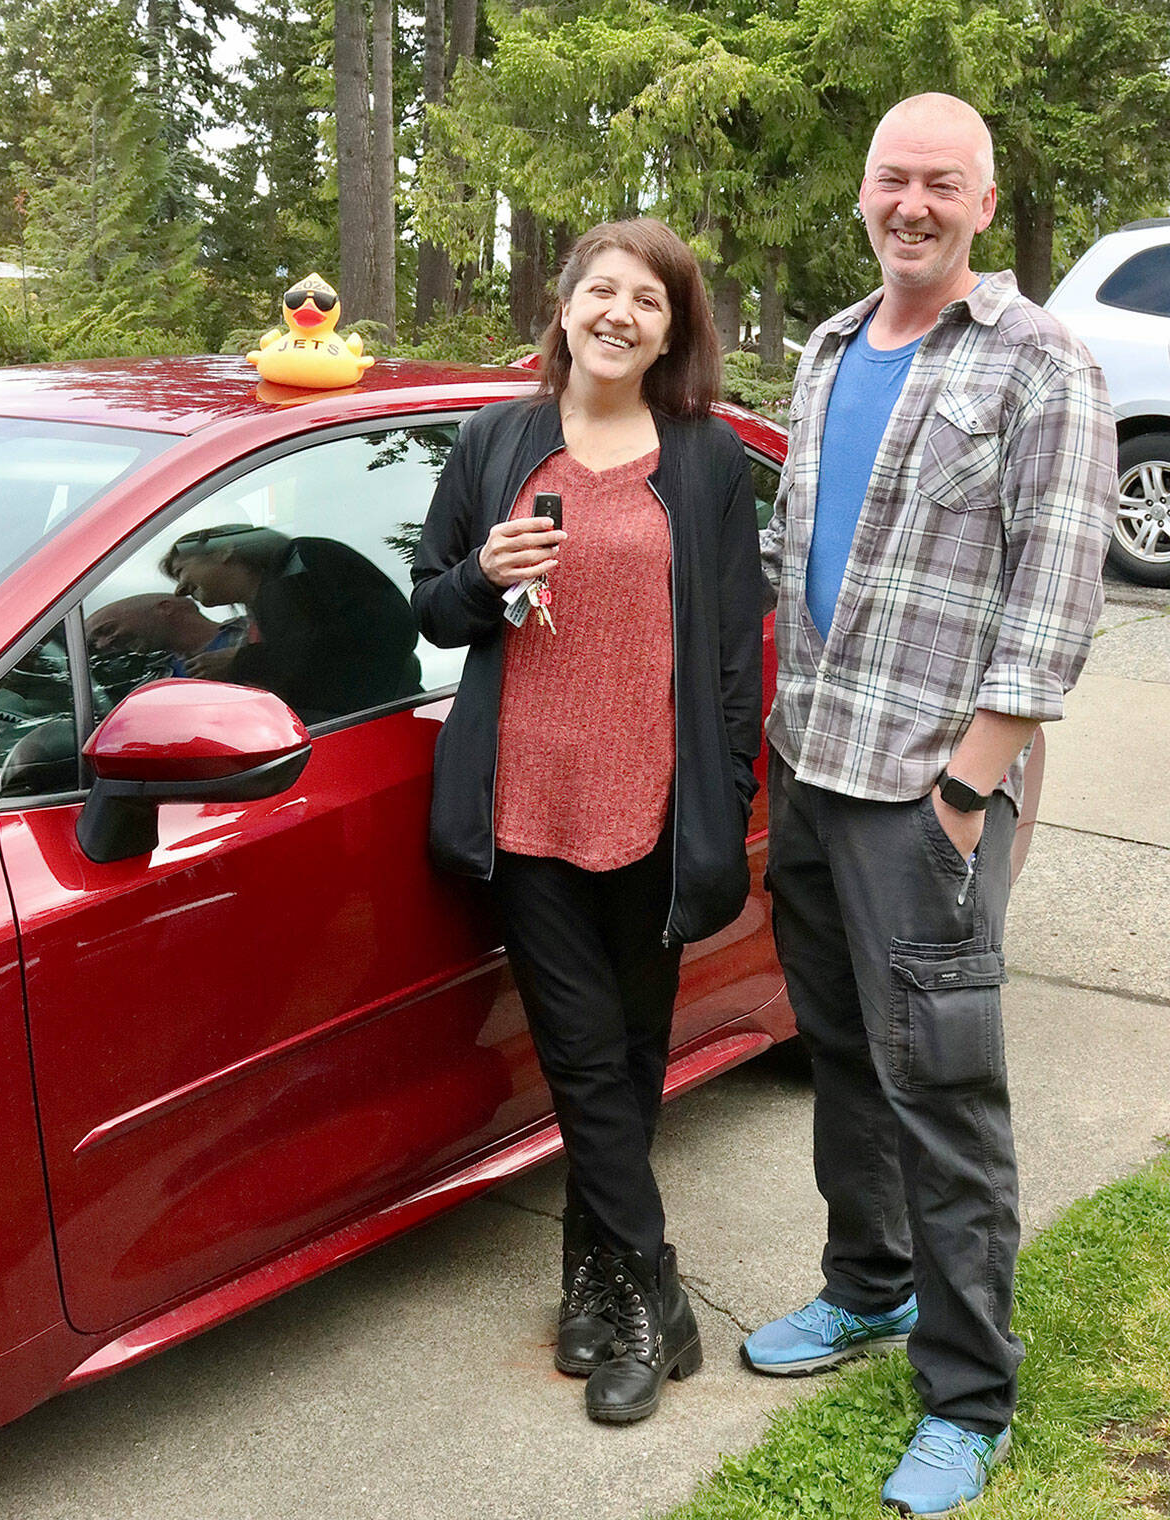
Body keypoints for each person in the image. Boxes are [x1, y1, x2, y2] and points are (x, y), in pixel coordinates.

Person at [741, 94, 1117, 1515]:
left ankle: (968, 1394)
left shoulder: (1040, 360)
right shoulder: (832, 346)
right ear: (862, 191)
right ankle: (869, 1283)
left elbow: (1056, 590)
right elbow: (799, 558)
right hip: (813, 767)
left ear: (982, 201)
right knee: (842, 1054)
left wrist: (969, 785)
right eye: (892, 178)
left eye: (940, 183)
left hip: (924, 792)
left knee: (944, 1093)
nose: (911, 203)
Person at [411, 218, 764, 1424]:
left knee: (629, 1058)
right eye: (600, 290)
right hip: (526, 806)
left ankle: (592, 1278)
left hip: (654, 810)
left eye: (647, 300)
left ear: (672, 331)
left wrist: (725, 799)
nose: (619, 312)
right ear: (563, 308)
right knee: (578, 1054)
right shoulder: (495, 441)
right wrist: (481, 577)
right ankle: (654, 1297)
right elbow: (431, 606)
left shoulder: (705, 461)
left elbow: (732, 661)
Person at [160, 524, 422, 724]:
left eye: (181, 571)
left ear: (223, 550)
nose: (179, 590)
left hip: (386, 724)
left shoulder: (304, 560)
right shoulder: (265, 606)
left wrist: (242, 661)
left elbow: (379, 635)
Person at [85, 593, 247, 676]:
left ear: (165, 608)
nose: (103, 645)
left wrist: (244, 661)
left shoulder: (255, 630)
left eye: (108, 630)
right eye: (94, 644)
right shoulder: (151, 685)